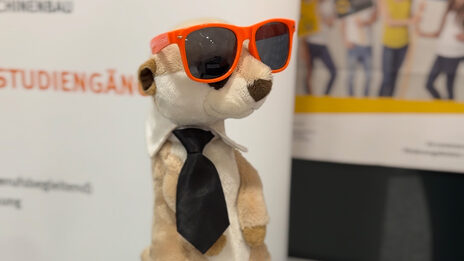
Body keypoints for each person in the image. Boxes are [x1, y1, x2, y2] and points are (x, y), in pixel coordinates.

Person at [417, 0, 464, 100]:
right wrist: (423, 34)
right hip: (441, 51)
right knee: (429, 84)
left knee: (449, 85)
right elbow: (440, 32)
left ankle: (450, 107)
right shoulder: (449, 8)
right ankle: (441, 104)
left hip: (454, 53)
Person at [378, 0, 421, 97]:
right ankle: (380, 105)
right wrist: (410, 21)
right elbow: (389, 22)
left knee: (394, 77)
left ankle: (389, 105)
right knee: (386, 79)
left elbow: (412, 17)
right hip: (389, 43)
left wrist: (418, 16)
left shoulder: (409, 1)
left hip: (404, 43)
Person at [341, 7, 377, 97]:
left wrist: (365, 23)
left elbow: (375, 16)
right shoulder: (347, 3)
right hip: (353, 44)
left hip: (367, 44)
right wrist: (345, 40)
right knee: (350, 76)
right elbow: (343, 23)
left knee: (369, 76)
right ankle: (350, 100)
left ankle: (365, 99)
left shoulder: (369, 3)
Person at [305, 0, 337, 95]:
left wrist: (320, 16)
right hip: (310, 42)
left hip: (323, 43)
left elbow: (330, 22)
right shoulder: (310, 4)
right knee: (309, 73)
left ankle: (325, 96)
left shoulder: (330, 4)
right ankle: (309, 95)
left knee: (333, 72)